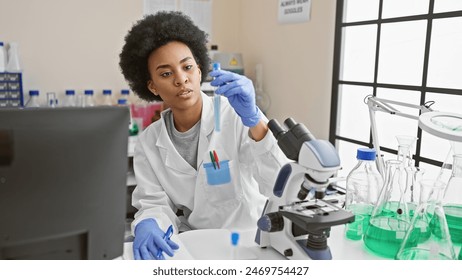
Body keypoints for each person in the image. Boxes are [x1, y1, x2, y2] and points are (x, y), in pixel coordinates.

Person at [119, 11, 288, 260]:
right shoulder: (149, 141)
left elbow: (278, 185)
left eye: (187, 67)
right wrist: (149, 222)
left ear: (199, 71)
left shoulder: (236, 116)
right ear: (152, 86)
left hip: (251, 242)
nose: (181, 79)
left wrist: (255, 120)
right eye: (166, 74)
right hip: (194, 245)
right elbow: (153, 203)